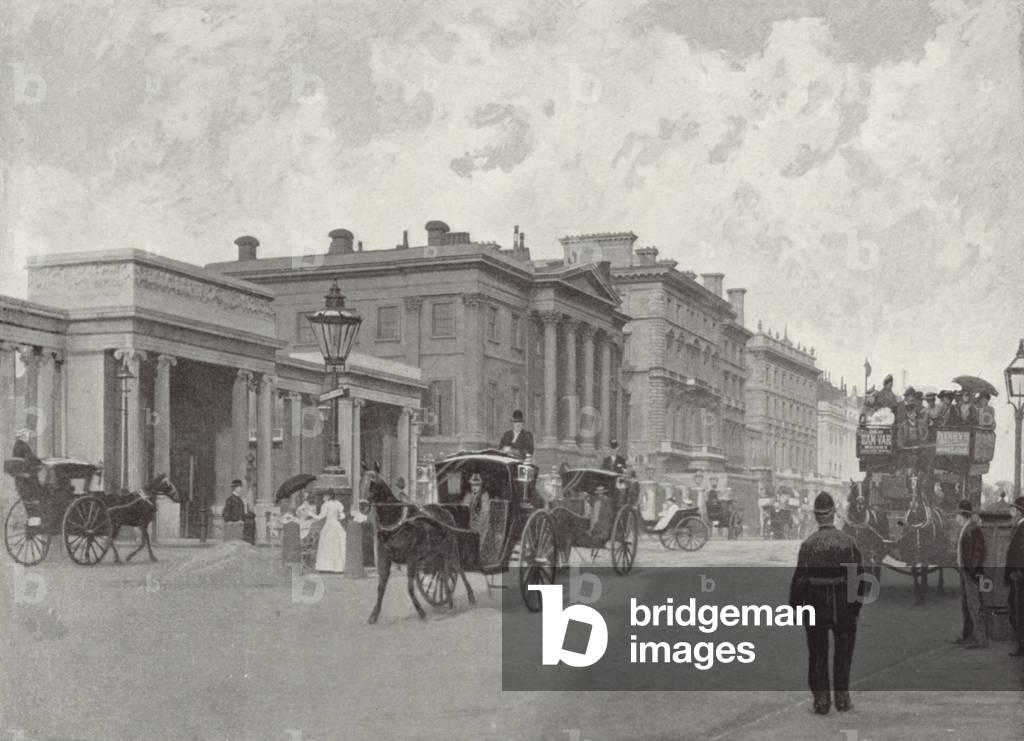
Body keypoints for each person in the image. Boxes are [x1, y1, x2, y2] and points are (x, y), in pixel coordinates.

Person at [789, 492, 865, 715]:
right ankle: (842, 698)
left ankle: (821, 700)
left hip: (815, 607)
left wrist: (795, 608)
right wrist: (856, 607)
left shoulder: (808, 545)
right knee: (843, 653)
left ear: (816, 516)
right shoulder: (849, 543)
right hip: (844, 608)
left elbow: (799, 580)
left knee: (817, 653)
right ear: (833, 514)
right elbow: (859, 578)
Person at [952, 500, 988, 648]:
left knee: (974, 605)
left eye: (957, 516)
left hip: (970, 573)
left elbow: (979, 552)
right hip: (965, 572)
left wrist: (971, 572)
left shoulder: (973, 529)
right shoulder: (967, 527)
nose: (956, 519)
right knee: (966, 605)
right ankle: (967, 636)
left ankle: (980, 640)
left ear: (963, 515)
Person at [1005, 496, 1024, 657]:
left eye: (1014, 509)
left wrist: (1016, 572)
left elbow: (1019, 553)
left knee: (1018, 611)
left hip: (1019, 577)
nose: (1012, 512)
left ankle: (1021, 647)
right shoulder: (1018, 525)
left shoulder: (1022, 527)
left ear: (1020, 512)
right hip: (1016, 575)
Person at [312, 490, 346, 573]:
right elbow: (342, 515)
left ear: (329, 496)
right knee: (337, 546)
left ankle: (326, 567)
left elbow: (320, 517)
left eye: (325, 496)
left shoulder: (326, 505)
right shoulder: (338, 504)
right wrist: (338, 517)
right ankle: (338, 568)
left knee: (327, 546)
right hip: (337, 527)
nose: (323, 497)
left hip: (329, 527)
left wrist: (310, 514)